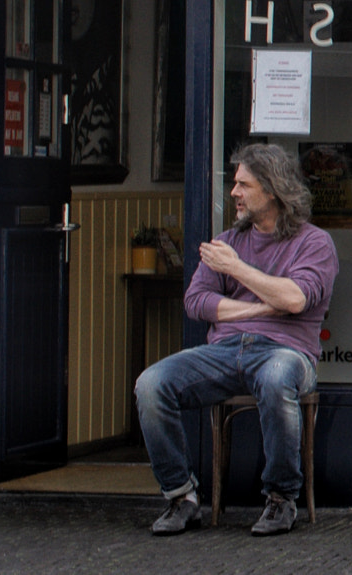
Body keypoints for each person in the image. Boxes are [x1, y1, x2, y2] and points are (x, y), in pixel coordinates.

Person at [135, 143, 338, 538]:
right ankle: (181, 497)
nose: (234, 193)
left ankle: (281, 498)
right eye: (235, 184)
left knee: (277, 378)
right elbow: (196, 301)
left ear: (273, 189)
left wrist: (237, 270)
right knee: (150, 385)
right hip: (224, 351)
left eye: (243, 184)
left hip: (287, 352)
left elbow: (295, 298)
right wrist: (259, 309)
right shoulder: (227, 240)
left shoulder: (314, 243)